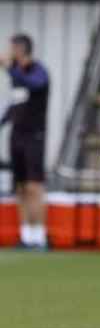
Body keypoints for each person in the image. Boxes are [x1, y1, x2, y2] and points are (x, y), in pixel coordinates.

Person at [0, 34, 49, 248]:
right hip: (17, 135)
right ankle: (26, 235)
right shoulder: (16, 76)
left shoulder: (38, 71)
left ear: (21, 49)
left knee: (33, 186)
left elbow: (34, 84)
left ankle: (39, 235)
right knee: (20, 187)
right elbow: (15, 104)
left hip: (34, 136)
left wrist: (10, 67)